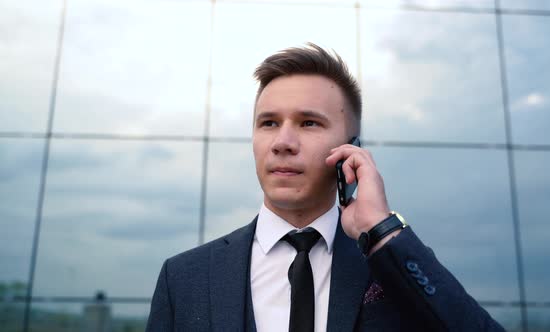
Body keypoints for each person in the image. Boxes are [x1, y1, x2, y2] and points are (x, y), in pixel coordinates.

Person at [146, 43, 506, 332]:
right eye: (269, 123)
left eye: (308, 123)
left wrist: (381, 231)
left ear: (351, 149)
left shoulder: (392, 263)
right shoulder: (184, 278)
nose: (283, 142)